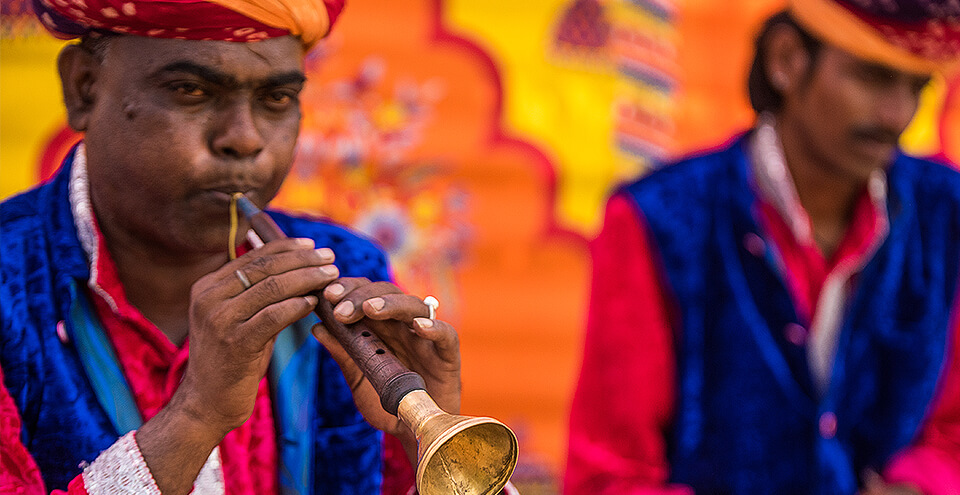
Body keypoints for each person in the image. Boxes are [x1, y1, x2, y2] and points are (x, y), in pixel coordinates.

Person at [0, 1, 464, 494]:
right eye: (191, 91)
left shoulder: (346, 264)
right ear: (84, 86)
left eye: (277, 98)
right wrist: (196, 417)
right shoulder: (11, 277)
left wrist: (428, 446)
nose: (244, 139)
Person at [564, 0, 960, 494]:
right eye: (874, 77)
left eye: (916, 87)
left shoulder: (946, 213)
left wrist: (921, 485)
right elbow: (610, 475)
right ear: (787, 60)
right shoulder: (657, 219)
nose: (897, 114)